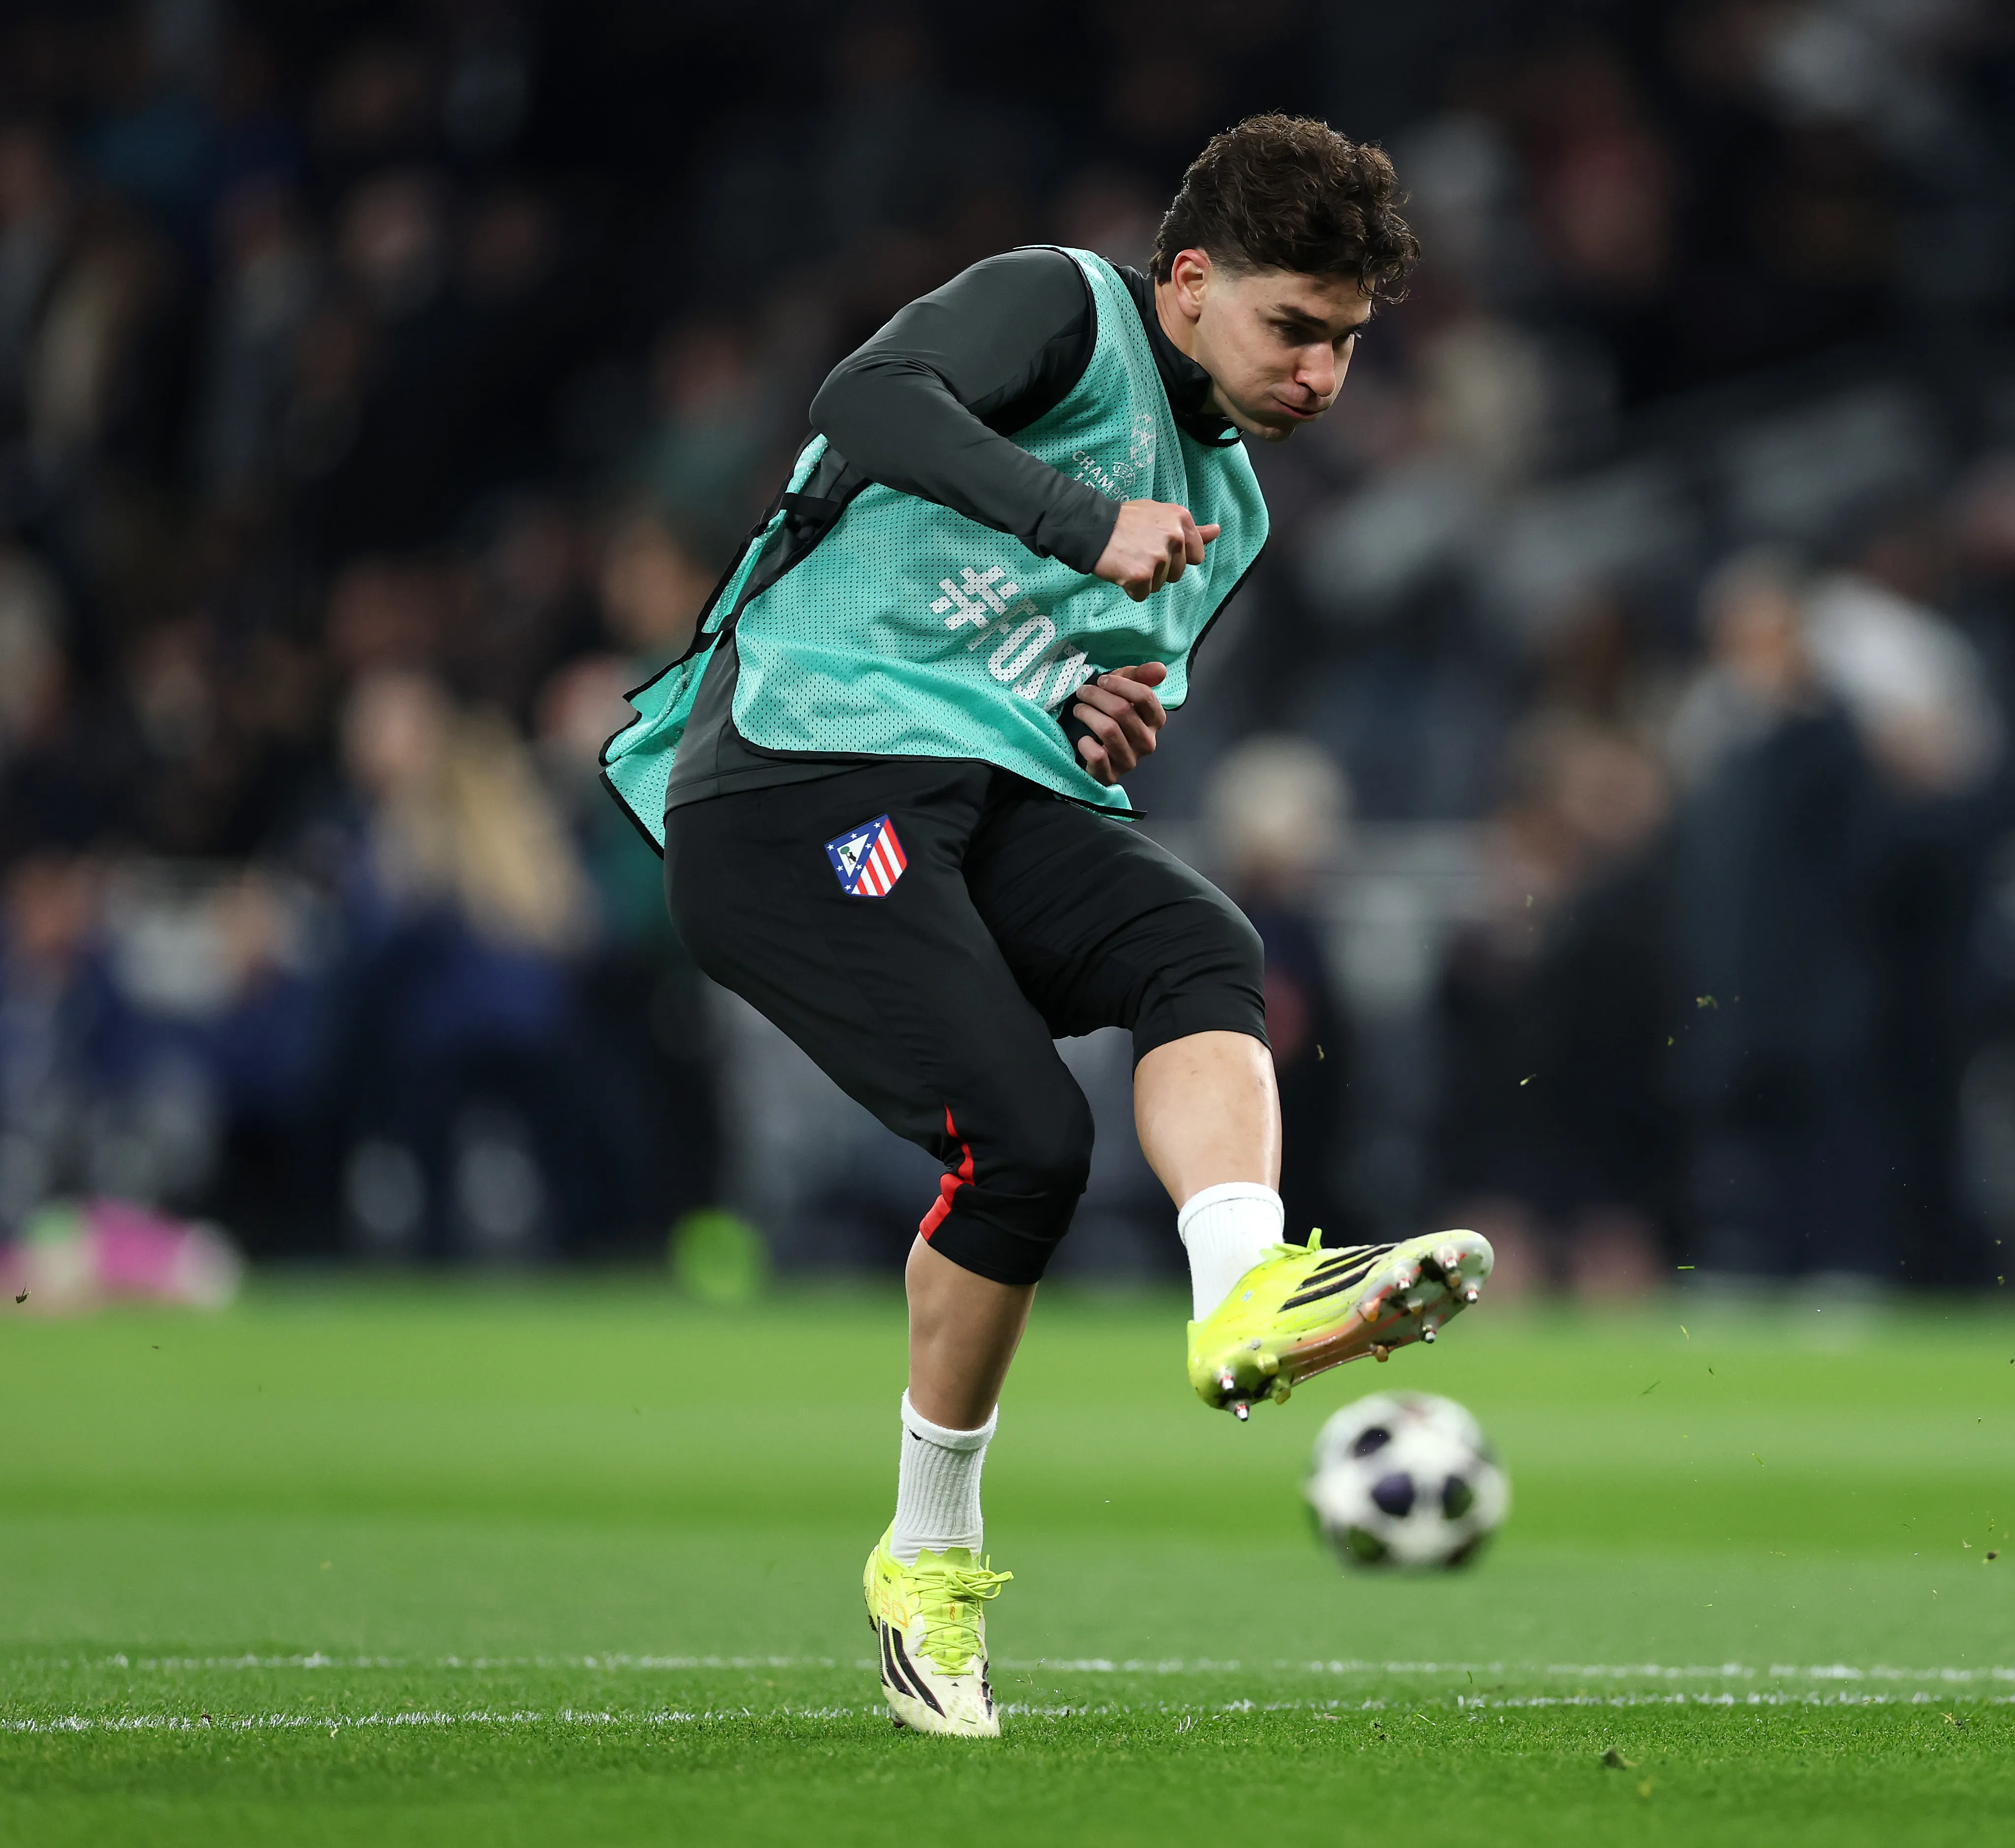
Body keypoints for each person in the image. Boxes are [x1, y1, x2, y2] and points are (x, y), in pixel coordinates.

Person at [601, 117, 1485, 1739]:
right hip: (793, 782)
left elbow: (1041, 673)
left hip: (974, 785)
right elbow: (861, 403)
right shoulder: (1062, 308)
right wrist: (1077, 522)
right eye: (1293, 327)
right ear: (1191, 281)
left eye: (1348, 346)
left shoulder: (1240, 509)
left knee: (1199, 944)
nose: (1320, 377)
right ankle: (926, 1559)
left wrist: (1094, 714)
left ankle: (1247, 1290)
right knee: (1019, 1138)